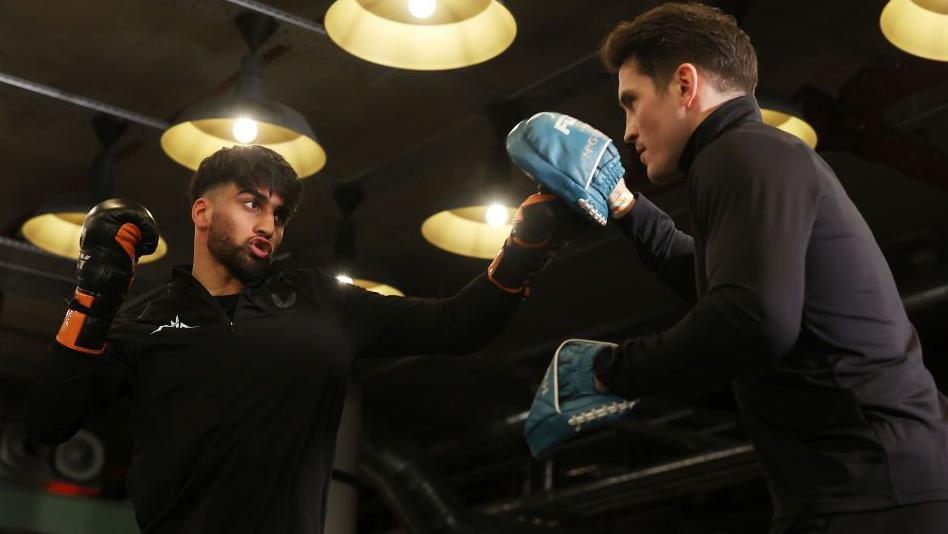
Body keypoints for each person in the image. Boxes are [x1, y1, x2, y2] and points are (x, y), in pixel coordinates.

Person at [507, 3, 948, 533]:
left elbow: (751, 317)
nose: (627, 130)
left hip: (876, 492)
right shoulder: (756, 155)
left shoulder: (739, 156)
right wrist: (622, 203)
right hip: (878, 485)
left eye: (631, 102)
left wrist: (612, 372)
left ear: (685, 85)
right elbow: (728, 286)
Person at [25, 145, 569, 533]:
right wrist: (94, 296)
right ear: (202, 211)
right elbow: (48, 422)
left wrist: (524, 249)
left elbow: (458, 324)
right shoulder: (143, 325)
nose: (268, 225)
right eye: (250, 203)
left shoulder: (323, 301)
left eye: (279, 214)